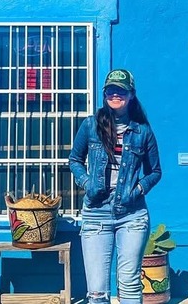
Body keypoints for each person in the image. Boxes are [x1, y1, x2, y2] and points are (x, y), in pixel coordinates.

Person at [68, 69, 162, 304]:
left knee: (129, 285)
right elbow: (75, 160)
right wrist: (87, 183)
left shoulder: (143, 132)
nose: (115, 94)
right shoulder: (91, 125)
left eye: (120, 90)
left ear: (131, 95)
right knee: (97, 292)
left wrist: (138, 190)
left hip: (132, 214)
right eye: (110, 90)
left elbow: (155, 172)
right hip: (96, 212)